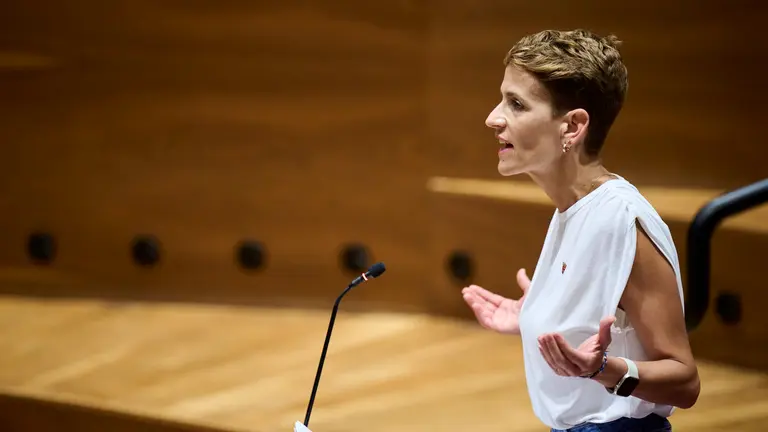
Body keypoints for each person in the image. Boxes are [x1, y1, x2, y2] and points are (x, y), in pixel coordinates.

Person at [461, 29, 700, 432]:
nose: (493, 118)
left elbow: (685, 381)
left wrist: (604, 370)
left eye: (516, 104)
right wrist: (539, 317)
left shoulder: (622, 220)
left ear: (572, 127)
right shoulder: (572, 210)